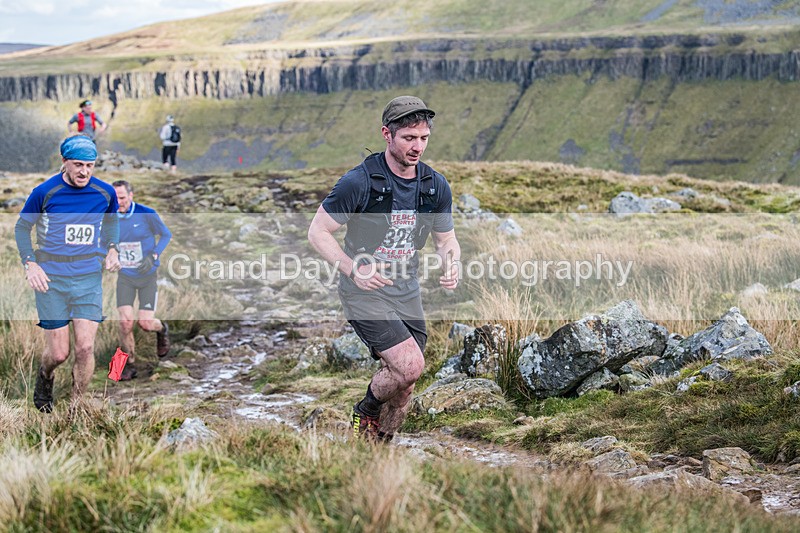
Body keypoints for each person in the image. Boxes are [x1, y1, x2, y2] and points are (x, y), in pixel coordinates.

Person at [308, 95, 461, 442]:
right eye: (409, 138)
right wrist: (352, 269)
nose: (417, 146)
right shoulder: (359, 182)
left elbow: (445, 240)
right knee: (410, 365)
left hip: (407, 292)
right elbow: (318, 232)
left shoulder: (435, 186)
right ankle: (366, 409)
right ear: (387, 135)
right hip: (364, 292)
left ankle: (378, 448)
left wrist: (451, 262)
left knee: (405, 384)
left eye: (423, 138)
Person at [14, 136, 121, 413]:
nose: (84, 171)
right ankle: (45, 376)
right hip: (52, 280)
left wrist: (112, 249)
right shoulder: (45, 192)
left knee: (85, 348)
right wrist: (31, 264)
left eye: (89, 165)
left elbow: (111, 224)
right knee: (59, 354)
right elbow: (22, 228)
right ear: (64, 163)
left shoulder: (105, 193)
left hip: (88, 279)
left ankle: (76, 408)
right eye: (77, 165)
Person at [112, 180, 172, 381]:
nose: (118, 202)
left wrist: (153, 256)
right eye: (115, 198)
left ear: (131, 195)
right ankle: (126, 366)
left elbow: (165, 235)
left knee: (145, 323)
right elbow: (101, 243)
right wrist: (109, 255)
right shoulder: (109, 217)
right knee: (125, 323)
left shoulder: (146, 213)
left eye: (122, 197)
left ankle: (162, 329)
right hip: (125, 277)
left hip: (147, 276)